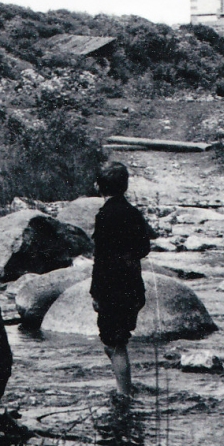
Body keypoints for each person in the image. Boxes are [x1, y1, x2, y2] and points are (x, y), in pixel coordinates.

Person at [90, 162, 151, 396]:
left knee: (114, 344)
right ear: (125, 186)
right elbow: (144, 249)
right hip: (133, 285)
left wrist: (95, 293)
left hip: (112, 288)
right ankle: (124, 389)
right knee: (118, 341)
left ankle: (123, 394)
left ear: (99, 186)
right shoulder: (134, 213)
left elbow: (101, 260)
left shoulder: (104, 215)